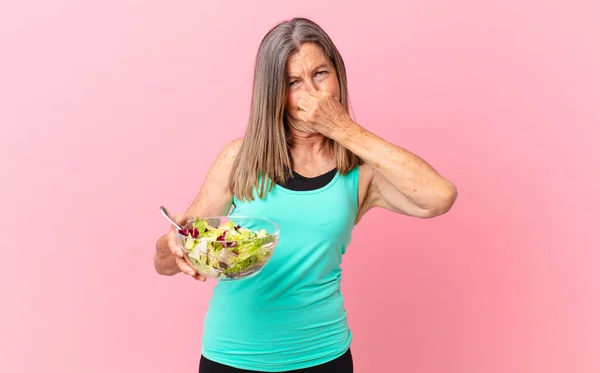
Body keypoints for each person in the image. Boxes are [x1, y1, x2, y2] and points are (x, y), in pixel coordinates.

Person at [154, 17, 457, 373]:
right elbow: (168, 258)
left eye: (321, 75)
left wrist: (343, 129)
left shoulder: (361, 172)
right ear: (274, 94)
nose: (311, 94)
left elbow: (440, 197)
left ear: (338, 77)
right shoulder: (240, 160)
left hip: (323, 356)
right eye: (293, 82)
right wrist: (171, 247)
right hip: (233, 358)